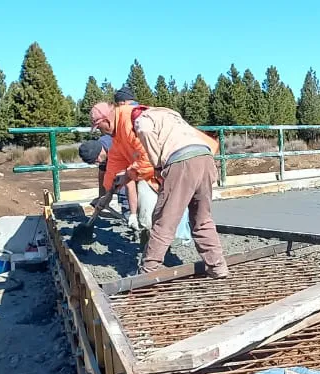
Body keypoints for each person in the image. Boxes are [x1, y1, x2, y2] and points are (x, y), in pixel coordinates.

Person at [91, 102, 228, 278]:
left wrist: (153, 167)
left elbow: (146, 152)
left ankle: (147, 274)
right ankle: (217, 267)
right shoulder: (159, 114)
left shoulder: (135, 120)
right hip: (204, 157)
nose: (100, 131)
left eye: (98, 126)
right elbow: (114, 167)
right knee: (202, 218)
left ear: (106, 120)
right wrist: (107, 193)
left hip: (181, 162)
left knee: (163, 221)